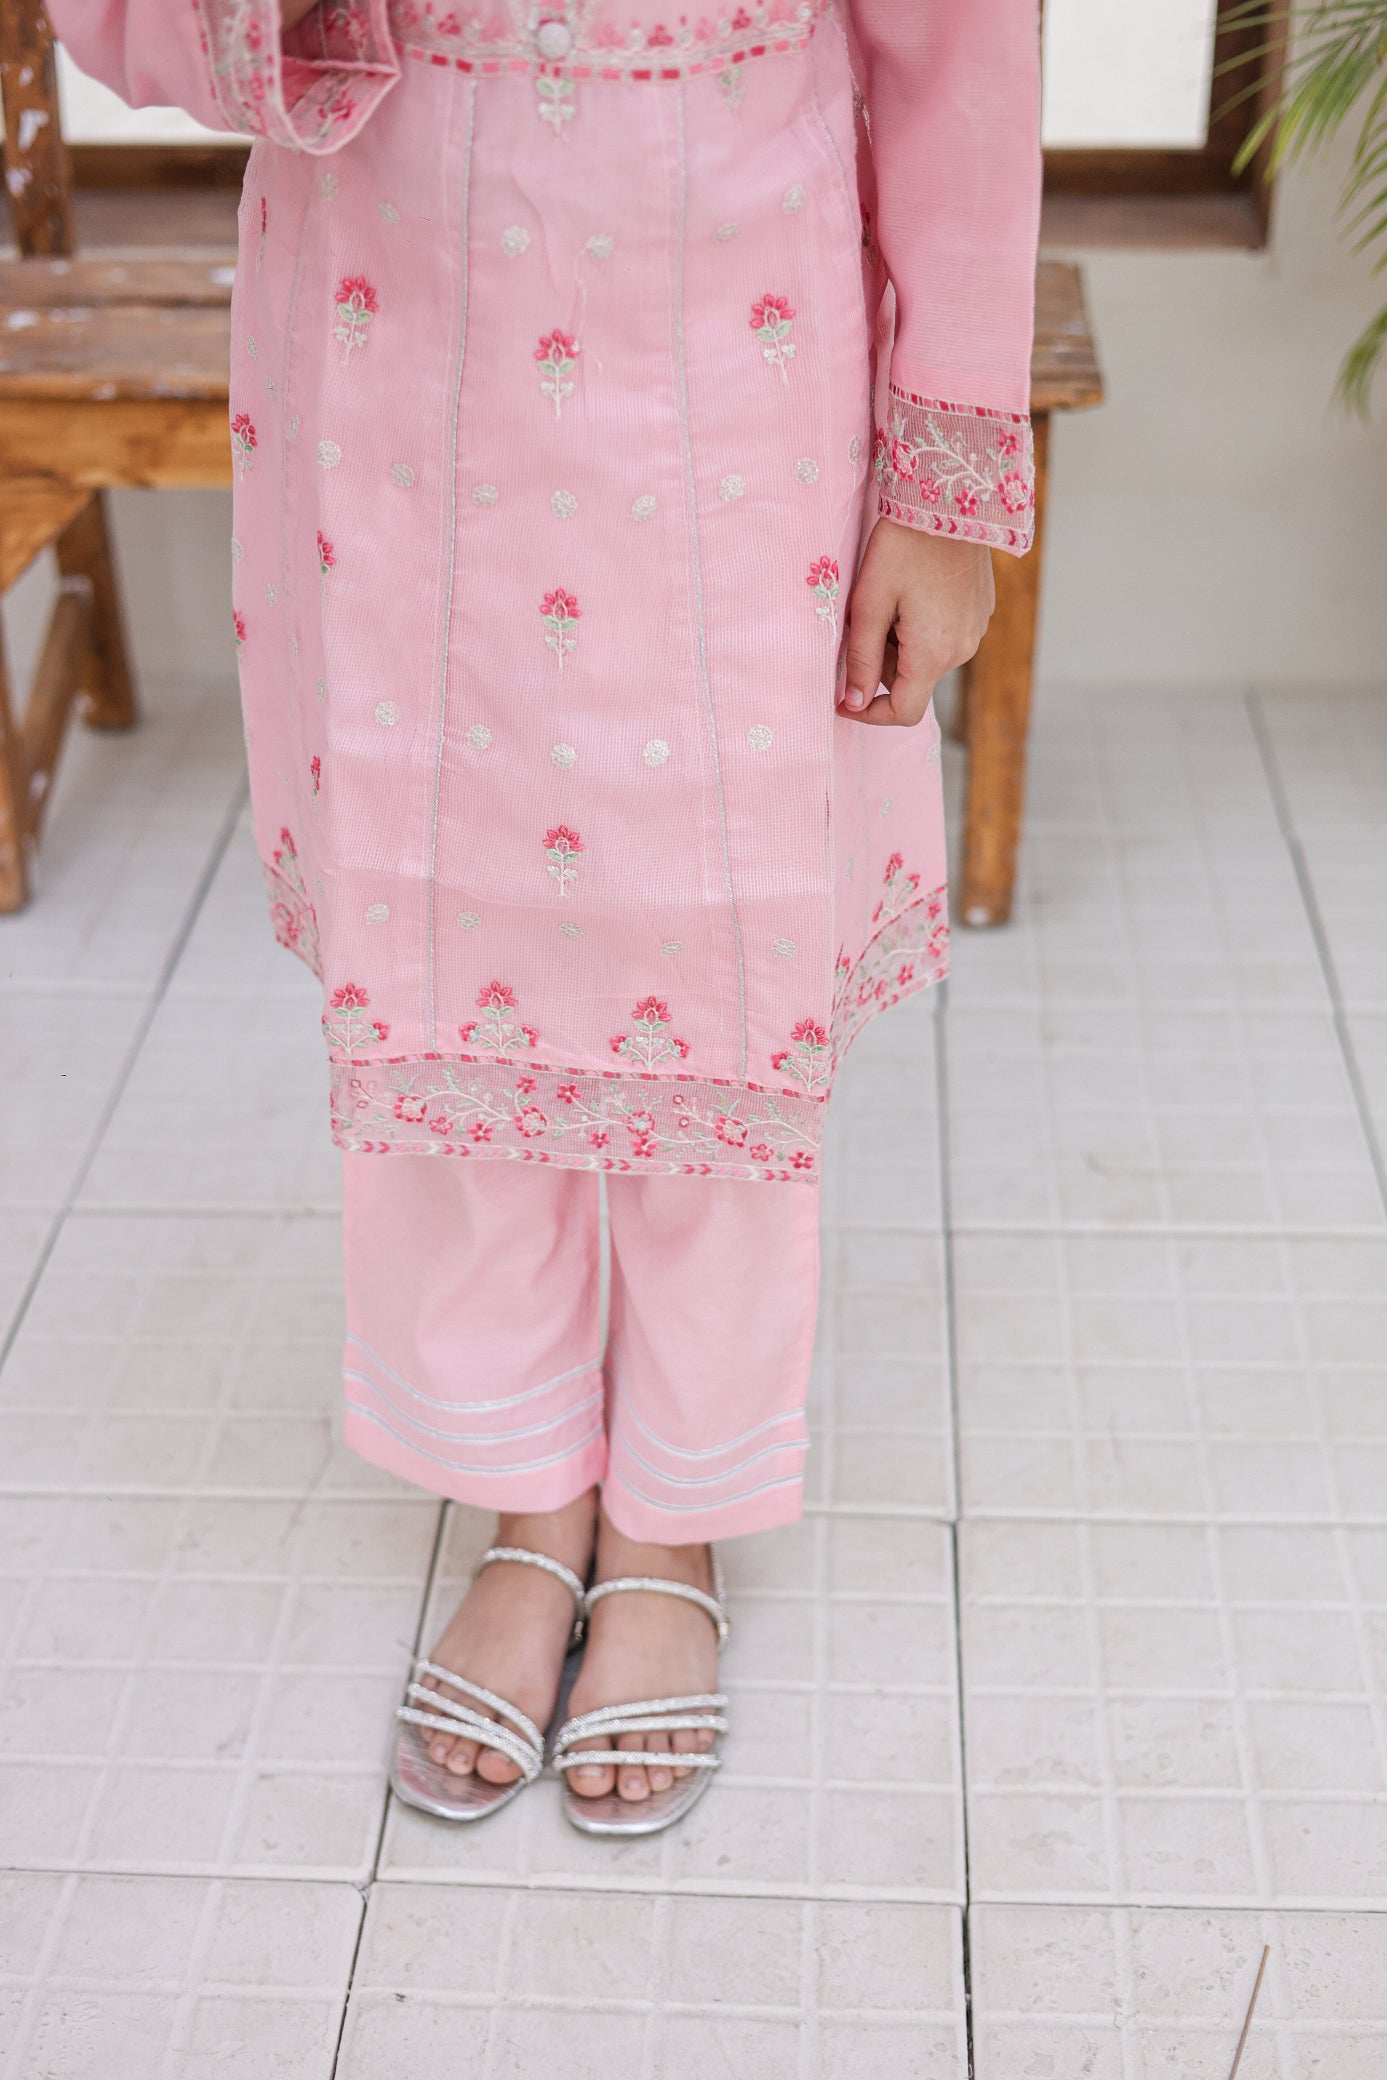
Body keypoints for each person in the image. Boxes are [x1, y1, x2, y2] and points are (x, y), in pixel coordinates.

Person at [51, 0, 1041, 1835]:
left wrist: (946, 465)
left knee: (711, 941)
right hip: (394, 318)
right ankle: (523, 1493)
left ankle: (675, 1506)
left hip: (747, 336)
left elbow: (965, 47)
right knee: (450, 934)